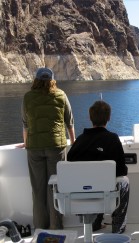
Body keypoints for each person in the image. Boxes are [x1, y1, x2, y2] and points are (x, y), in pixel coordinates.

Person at [21, 67, 75, 229]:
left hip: (34, 148)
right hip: (55, 147)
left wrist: (26, 142)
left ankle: (40, 228)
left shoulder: (28, 97)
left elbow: (25, 124)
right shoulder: (61, 95)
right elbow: (69, 123)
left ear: (36, 80)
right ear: (52, 80)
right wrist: (73, 142)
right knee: (56, 189)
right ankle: (56, 228)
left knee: (38, 190)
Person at [67, 100, 129, 234]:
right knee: (124, 182)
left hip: (80, 195)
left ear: (90, 118)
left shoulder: (79, 141)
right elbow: (122, 170)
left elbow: (70, 164)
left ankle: (94, 224)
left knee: (93, 183)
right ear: (109, 118)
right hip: (106, 195)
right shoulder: (112, 139)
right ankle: (118, 228)